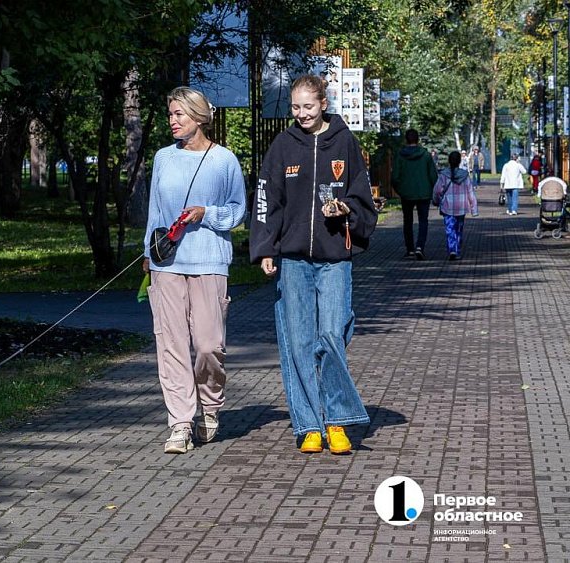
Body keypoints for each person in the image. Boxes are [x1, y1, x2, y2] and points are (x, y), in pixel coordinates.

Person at [250, 75, 377, 455]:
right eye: (295, 107)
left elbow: (361, 196)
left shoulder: (345, 142)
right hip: (293, 261)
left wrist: (345, 210)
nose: (302, 114)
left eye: (308, 106)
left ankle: (337, 419)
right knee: (299, 342)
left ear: (324, 103)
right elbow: (266, 200)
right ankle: (309, 425)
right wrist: (265, 248)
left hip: (334, 257)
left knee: (331, 335)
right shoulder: (283, 146)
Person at [143, 86, 247, 454]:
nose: (172, 121)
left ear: (199, 118)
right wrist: (148, 254)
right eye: (170, 115)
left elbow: (238, 210)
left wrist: (207, 213)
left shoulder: (224, 161)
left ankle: (211, 406)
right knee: (170, 345)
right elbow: (155, 211)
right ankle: (180, 423)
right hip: (167, 264)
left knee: (208, 345)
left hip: (209, 261)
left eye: (179, 115)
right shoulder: (162, 159)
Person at [390, 129, 438, 260]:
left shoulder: (400, 156)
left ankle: (410, 249)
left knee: (407, 221)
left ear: (406, 139)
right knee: (423, 221)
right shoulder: (426, 155)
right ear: (418, 140)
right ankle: (420, 247)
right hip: (424, 193)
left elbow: (394, 177)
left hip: (406, 194)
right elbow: (433, 176)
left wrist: (400, 190)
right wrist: (434, 191)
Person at [433, 151, 479, 260]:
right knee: (459, 228)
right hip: (461, 206)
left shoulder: (443, 175)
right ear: (459, 161)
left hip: (447, 206)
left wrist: (435, 201)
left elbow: (437, 190)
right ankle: (456, 249)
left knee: (450, 229)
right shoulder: (465, 175)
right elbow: (470, 192)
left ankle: (452, 249)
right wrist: (474, 209)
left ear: (449, 161)